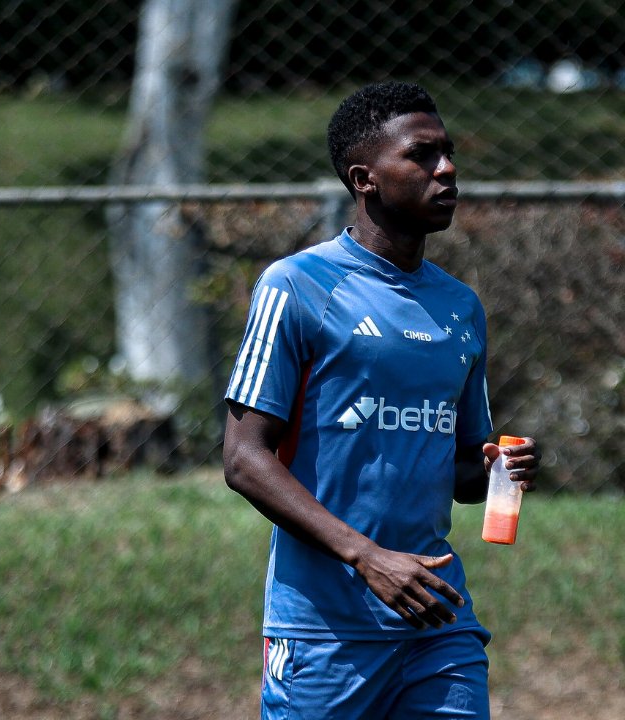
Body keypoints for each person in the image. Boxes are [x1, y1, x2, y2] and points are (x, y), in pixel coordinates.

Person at [220, 81, 539, 719]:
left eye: (447, 153)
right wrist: (367, 557)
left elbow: (464, 474)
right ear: (364, 179)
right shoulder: (297, 286)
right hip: (324, 632)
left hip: (438, 622)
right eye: (421, 155)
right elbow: (244, 460)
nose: (446, 169)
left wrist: (501, 468)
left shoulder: (460, 307)